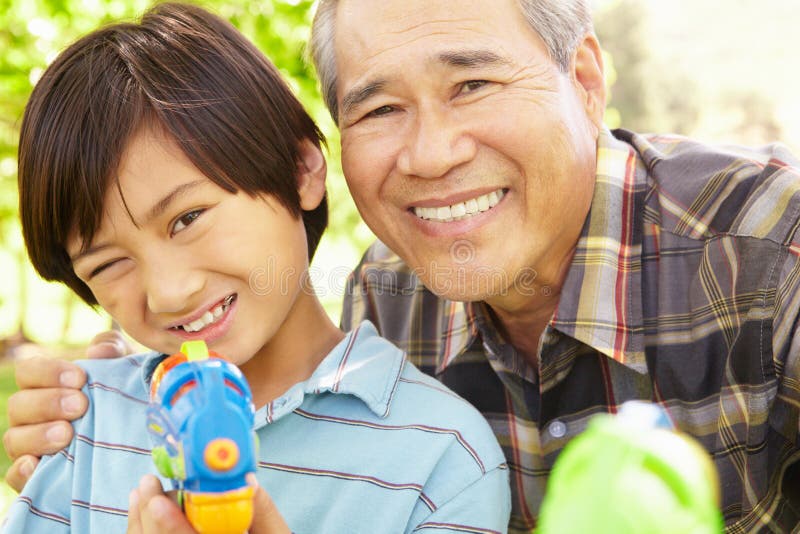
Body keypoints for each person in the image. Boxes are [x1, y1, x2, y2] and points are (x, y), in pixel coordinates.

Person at [7, 0, 800, 531]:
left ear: (586, 82)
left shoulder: (773, 257)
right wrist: (99, 401)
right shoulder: (386, 301)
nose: (430, 154)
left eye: (473, 82)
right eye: (381, 107)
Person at [1, 3, 511, 533]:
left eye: (188, 218)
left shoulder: (442, 459)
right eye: (108, 264)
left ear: (301, 170)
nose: (169, 292)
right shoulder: (80, 427)